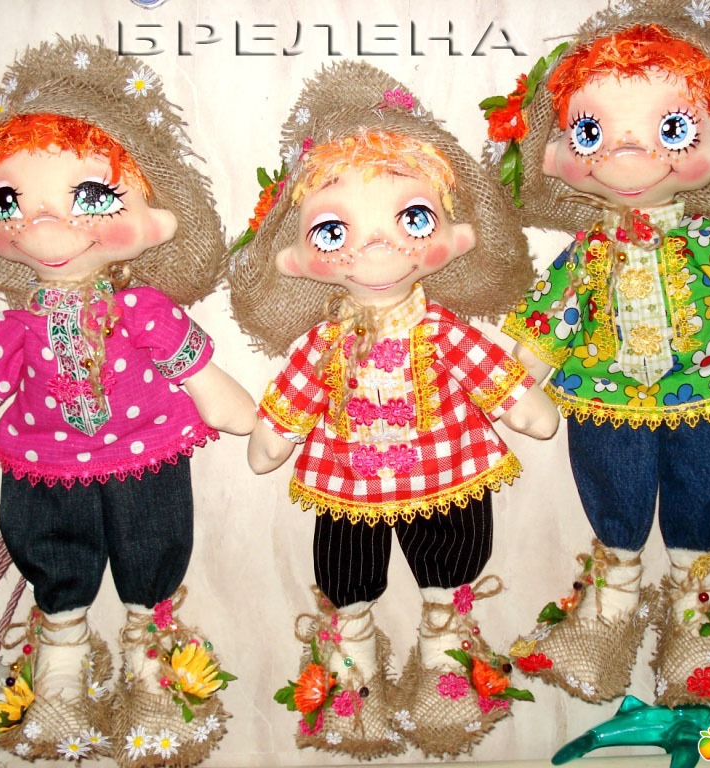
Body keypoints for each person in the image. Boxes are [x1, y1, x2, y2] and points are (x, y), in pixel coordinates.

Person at [0, 38, 254, 765]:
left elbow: (203, 379)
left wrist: (230, 407)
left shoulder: (144, 309)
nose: (44, 226)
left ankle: (149, 660)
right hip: (43, 461)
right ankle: (59, 664)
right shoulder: (14, 327)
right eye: (9, 202)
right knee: (50, 545)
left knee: (154, 539)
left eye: (89, 198)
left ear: (154, 220)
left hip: (148, 452)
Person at [229, 60, 558, 759]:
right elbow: (291, 401)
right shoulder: (325, 341)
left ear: (454, 237)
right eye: (332, 232)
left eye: (412, 218)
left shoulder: (443, 330)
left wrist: (522, 407)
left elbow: (498, 384)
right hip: (347, 483)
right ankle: (349, 666)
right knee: (345, 569)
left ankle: (445, 656)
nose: (376, 246)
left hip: (448, 471)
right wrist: (273, 433)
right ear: (297, 257)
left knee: (452, 554)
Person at [487, 0, 710, 706]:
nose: (626, 157)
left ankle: (697, 615)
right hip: (603, 392)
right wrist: (522, 373)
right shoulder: (585, 253)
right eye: (592, 133)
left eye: (670, 131)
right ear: (559, 157)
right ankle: (609, 611)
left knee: (706, 482)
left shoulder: (702, 242)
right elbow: (554, 313)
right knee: (612, 486)